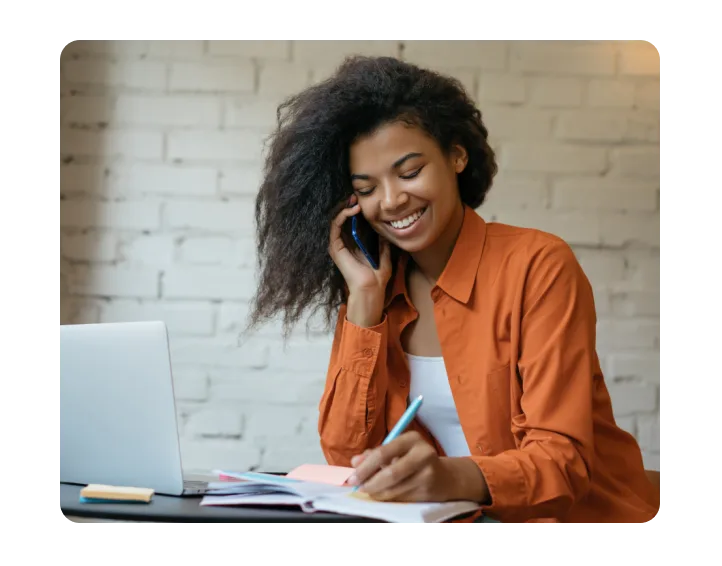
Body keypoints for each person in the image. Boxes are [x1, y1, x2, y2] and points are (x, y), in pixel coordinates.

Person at [246, 55, 660, 525]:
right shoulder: (379, 290)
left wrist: (446, 477)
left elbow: (561, 463)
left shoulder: (538, 265)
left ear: (457, 156)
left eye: (409, 171)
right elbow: (346, 459)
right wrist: (363, 302)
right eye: (366, 188)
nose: (391, 200)